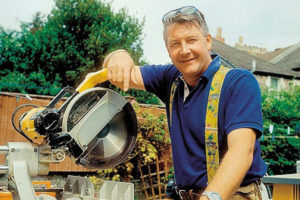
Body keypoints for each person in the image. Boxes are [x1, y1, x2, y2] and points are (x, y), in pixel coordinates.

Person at [102, 6, 267, 200]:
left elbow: (241, 153)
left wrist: (209, 197)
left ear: (207, 41)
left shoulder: (238, 82)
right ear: (168, 50)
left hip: (234, 194)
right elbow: (119, 73)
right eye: (175, 43)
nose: (184, 50)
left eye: (191, 40)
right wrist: (118, 55)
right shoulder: (170, 78)